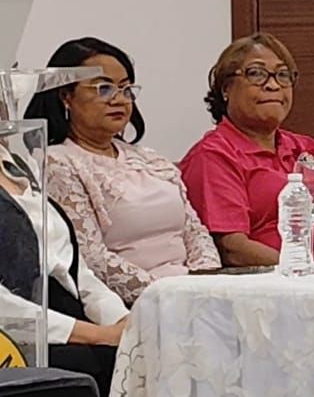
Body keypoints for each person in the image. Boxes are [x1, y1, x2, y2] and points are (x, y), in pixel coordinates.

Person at [24, 38, 220, 305]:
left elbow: (195, 231)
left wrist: (208, 283)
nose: (119, 99)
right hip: (135, 304)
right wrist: (169, 296)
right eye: (104, 88)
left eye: (126, 89)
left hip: (194, 292)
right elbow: (90, 258)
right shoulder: (57, 163)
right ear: (66, 96)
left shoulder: (150, 159)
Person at [180, 33, 314, 267]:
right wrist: (308, 271)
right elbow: (233, 249)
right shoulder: (215, 155)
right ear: (226, 89)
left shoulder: (308, 148)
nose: (273, 85)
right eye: (256, 74)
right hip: (287, 277)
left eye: (282, 75)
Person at [0, 146, 128, 397]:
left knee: (147, 348)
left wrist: (120, 320)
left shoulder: (19, 165)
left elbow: (73, 268)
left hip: (67, 310)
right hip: (19, 337)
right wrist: (96, 335)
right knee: (86, 364)